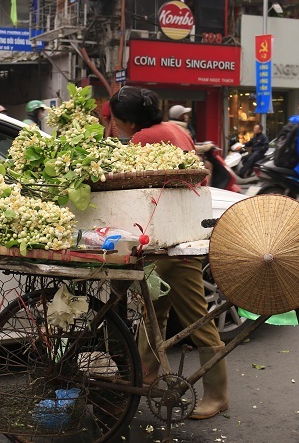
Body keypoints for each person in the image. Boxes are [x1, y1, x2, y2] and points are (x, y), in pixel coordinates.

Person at [109, 85, 228, 420]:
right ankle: (146, 374)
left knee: (196, 319)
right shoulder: (174, 129)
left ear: (130, 122)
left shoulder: (143, 139)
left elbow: (131, 185)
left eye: (116, 120)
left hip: (172, 242)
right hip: (176, 233)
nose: (115, 126)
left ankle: (217, 394)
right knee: (154, 311)